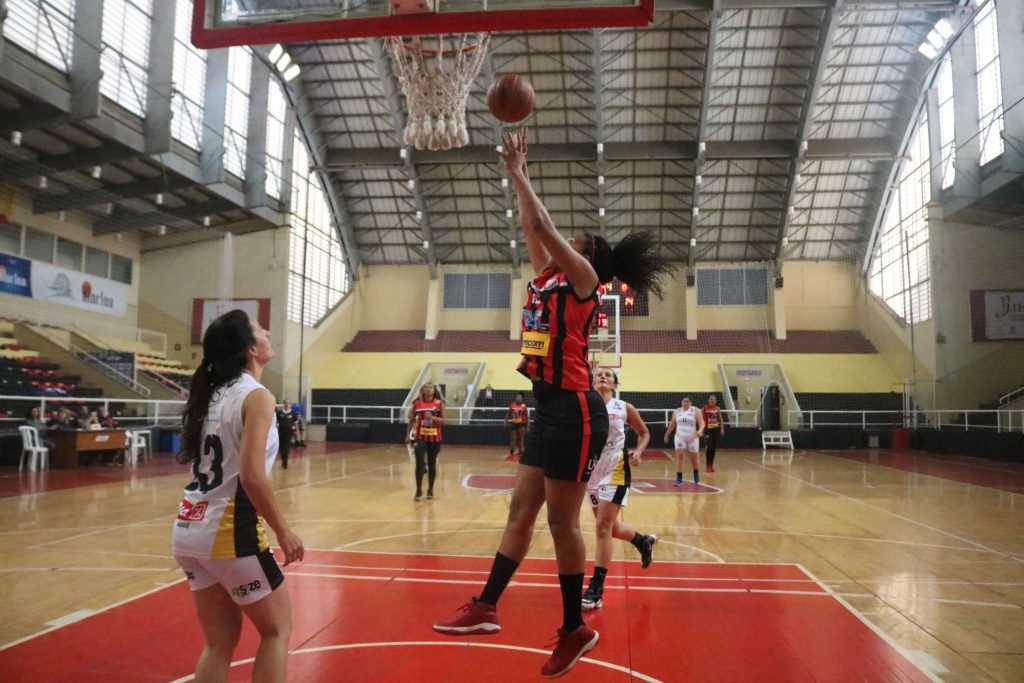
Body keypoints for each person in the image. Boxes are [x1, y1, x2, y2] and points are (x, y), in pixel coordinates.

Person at [433, 128, 672, 679]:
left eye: (576, 239)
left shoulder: (585, 279)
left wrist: (520, 172)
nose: (567, 240)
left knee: (563, 522)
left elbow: (542, 225)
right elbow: (531, 227)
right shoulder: (549, 275)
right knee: (520, 511)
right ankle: (486, 606)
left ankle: (574, 629)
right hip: (548, 410)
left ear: (587, 255)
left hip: (576, 410)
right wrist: (517, 177)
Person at [171, 310, 304, 683]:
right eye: (260, 329)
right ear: (250, 349)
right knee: (277, 630)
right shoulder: (256, 396)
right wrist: (283, 529)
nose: (268, 331)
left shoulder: (211, 393)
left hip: (188, 528)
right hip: (228, 532)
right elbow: (252, 476)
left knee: (219, 644)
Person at [582, 367, 658, 611]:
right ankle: (643, 541)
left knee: (602, 527)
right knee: (611, 528)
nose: (603, 376)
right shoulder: (585, 406)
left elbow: (644, 433)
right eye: (598, 374)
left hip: (615, 469)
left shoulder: (624, 407)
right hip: (591, 471)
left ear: (614, 385)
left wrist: (639, 451)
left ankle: (596, 589)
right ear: (592, 383)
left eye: (608, 375)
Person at [406, 381, 445, 501]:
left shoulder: (439, 403)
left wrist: (432, 418)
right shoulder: (417, 403)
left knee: (432, 464)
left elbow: (444, 421)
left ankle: (430, 490)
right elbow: (411, 419)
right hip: (420, 437)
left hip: (435, 437)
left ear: (434, 390)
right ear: (422, 390)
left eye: (431, 387)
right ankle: (418, 490)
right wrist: (408, 435)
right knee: (419, 463)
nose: (428, 389)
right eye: (426, 387)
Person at [664, 396, 705, 486]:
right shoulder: (677, 411)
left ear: (690, 403)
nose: (686, 403)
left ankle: (696, 473)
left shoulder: (695, 410)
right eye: (684, 401)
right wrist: (667, 434)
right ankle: (679, 478)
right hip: (680, 436)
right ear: (681, 402)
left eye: (687, 401)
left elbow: (702, 423)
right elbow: (672, 424)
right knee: (680, 456)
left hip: (693, 437)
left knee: (694, 459)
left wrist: (700, 431)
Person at [702, 394, 725, 473]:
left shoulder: (717, 408)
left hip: (716, 430)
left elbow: (721, 419)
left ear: (716, 401)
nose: (712, 400)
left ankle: (711, 465)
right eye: (711, 399)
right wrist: (702, 430)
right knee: (709, 447)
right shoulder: (704, 408)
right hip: (707, 430)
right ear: (708, 400)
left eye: (714, 399)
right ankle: (707, 465)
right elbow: (701, 420)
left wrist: (722, 429)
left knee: (714, 448)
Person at [504, 392, 529, 461]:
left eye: (519, 397)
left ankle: (521, 454)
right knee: (513, 439)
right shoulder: (512, 405)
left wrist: (527, 427)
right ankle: (511, 454)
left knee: (521, 440)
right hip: (513, 424)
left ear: (522, 398)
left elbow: (527, 417)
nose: (518, 398)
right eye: (517, 397)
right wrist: (505, 421)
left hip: (522, 424)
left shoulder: (524, 406)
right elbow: (508, 414)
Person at [275, 399, 296, 470]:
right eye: (286, 403)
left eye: (289, 403)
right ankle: (282, 457)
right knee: (281, 447)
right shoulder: (279, 412)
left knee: (286, 447)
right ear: (283, 404)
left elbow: (295, 421)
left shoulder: (293, 413)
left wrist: (294, 428)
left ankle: (285, 463)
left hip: (289, 432)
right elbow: (276, 420)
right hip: (281, 431)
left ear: (290, 405)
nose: (287, 405)